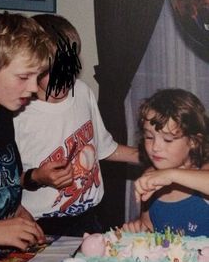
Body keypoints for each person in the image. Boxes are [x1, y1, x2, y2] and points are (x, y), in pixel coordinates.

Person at [13, 13, 139, 236]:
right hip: (40, 225)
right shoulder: (17, 111)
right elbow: (4, 182)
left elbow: (106, 148)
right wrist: (38, 177)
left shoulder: (82, 92)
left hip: (89, 219)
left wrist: (154, 158)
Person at [0, 11, 53, 257]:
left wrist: (19, 215)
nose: (33, 88)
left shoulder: (3, 115)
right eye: (23, 77)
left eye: (37, 77)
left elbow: (1, 186)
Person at [122, 88, 209, 237]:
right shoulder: (150, 178)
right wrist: (140, 230)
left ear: (194, 141)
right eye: (149, 137)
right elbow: (149, 227)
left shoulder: (203, 172)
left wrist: (171, 175)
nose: (155, 147)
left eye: (168, 139)